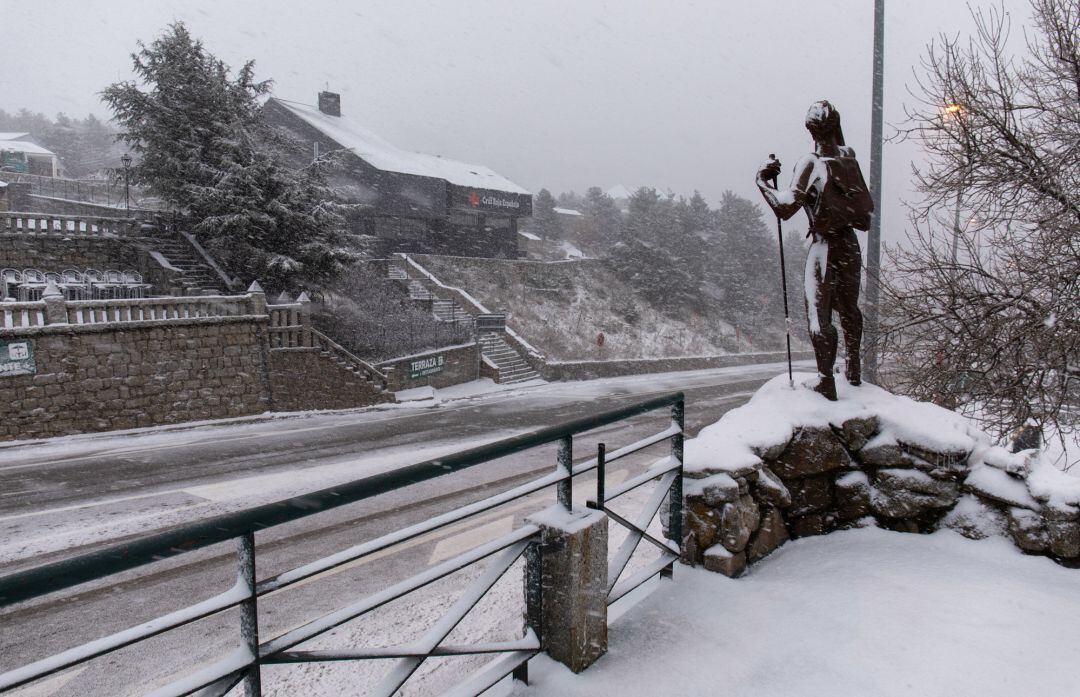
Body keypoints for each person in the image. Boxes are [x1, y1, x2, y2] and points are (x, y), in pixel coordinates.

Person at [755, 100, 873, 401]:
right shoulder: (849, 158)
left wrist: (762, 181)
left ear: (811, 130)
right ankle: (853, 367)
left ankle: (825, 380)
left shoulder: (811, 163)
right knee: (849, 308)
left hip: (824, 245)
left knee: (819, 317)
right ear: (836, 125)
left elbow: (785, 208)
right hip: (850, 245)